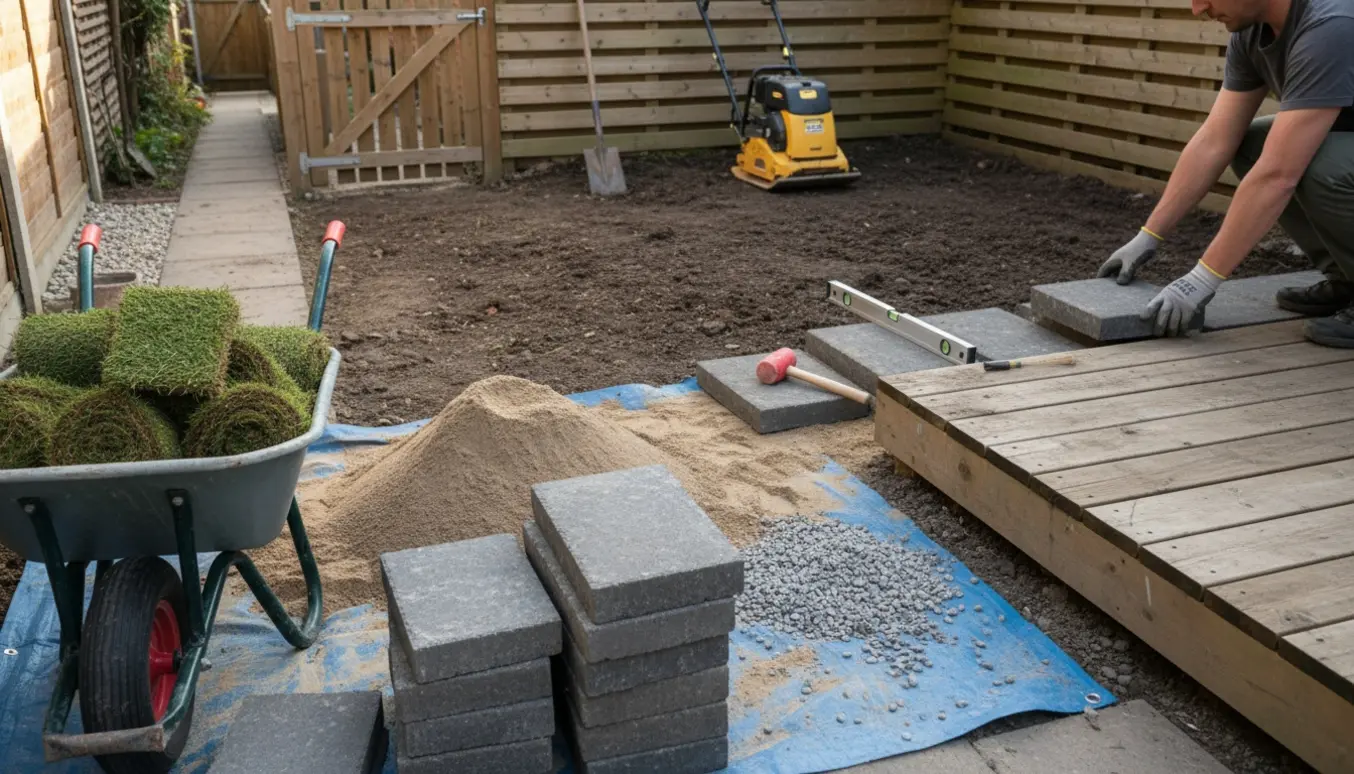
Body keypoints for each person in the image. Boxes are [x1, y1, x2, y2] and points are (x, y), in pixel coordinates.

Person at [1098, 0, 1354, 345]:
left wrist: (1202, 279)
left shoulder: (1332, 24)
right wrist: (1148, 235)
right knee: (1251, 145)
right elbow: (1215, 141)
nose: (1197, 8)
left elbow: (1278, 175)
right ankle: (1346, 277)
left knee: (1320, 165)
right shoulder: (1251, 32)